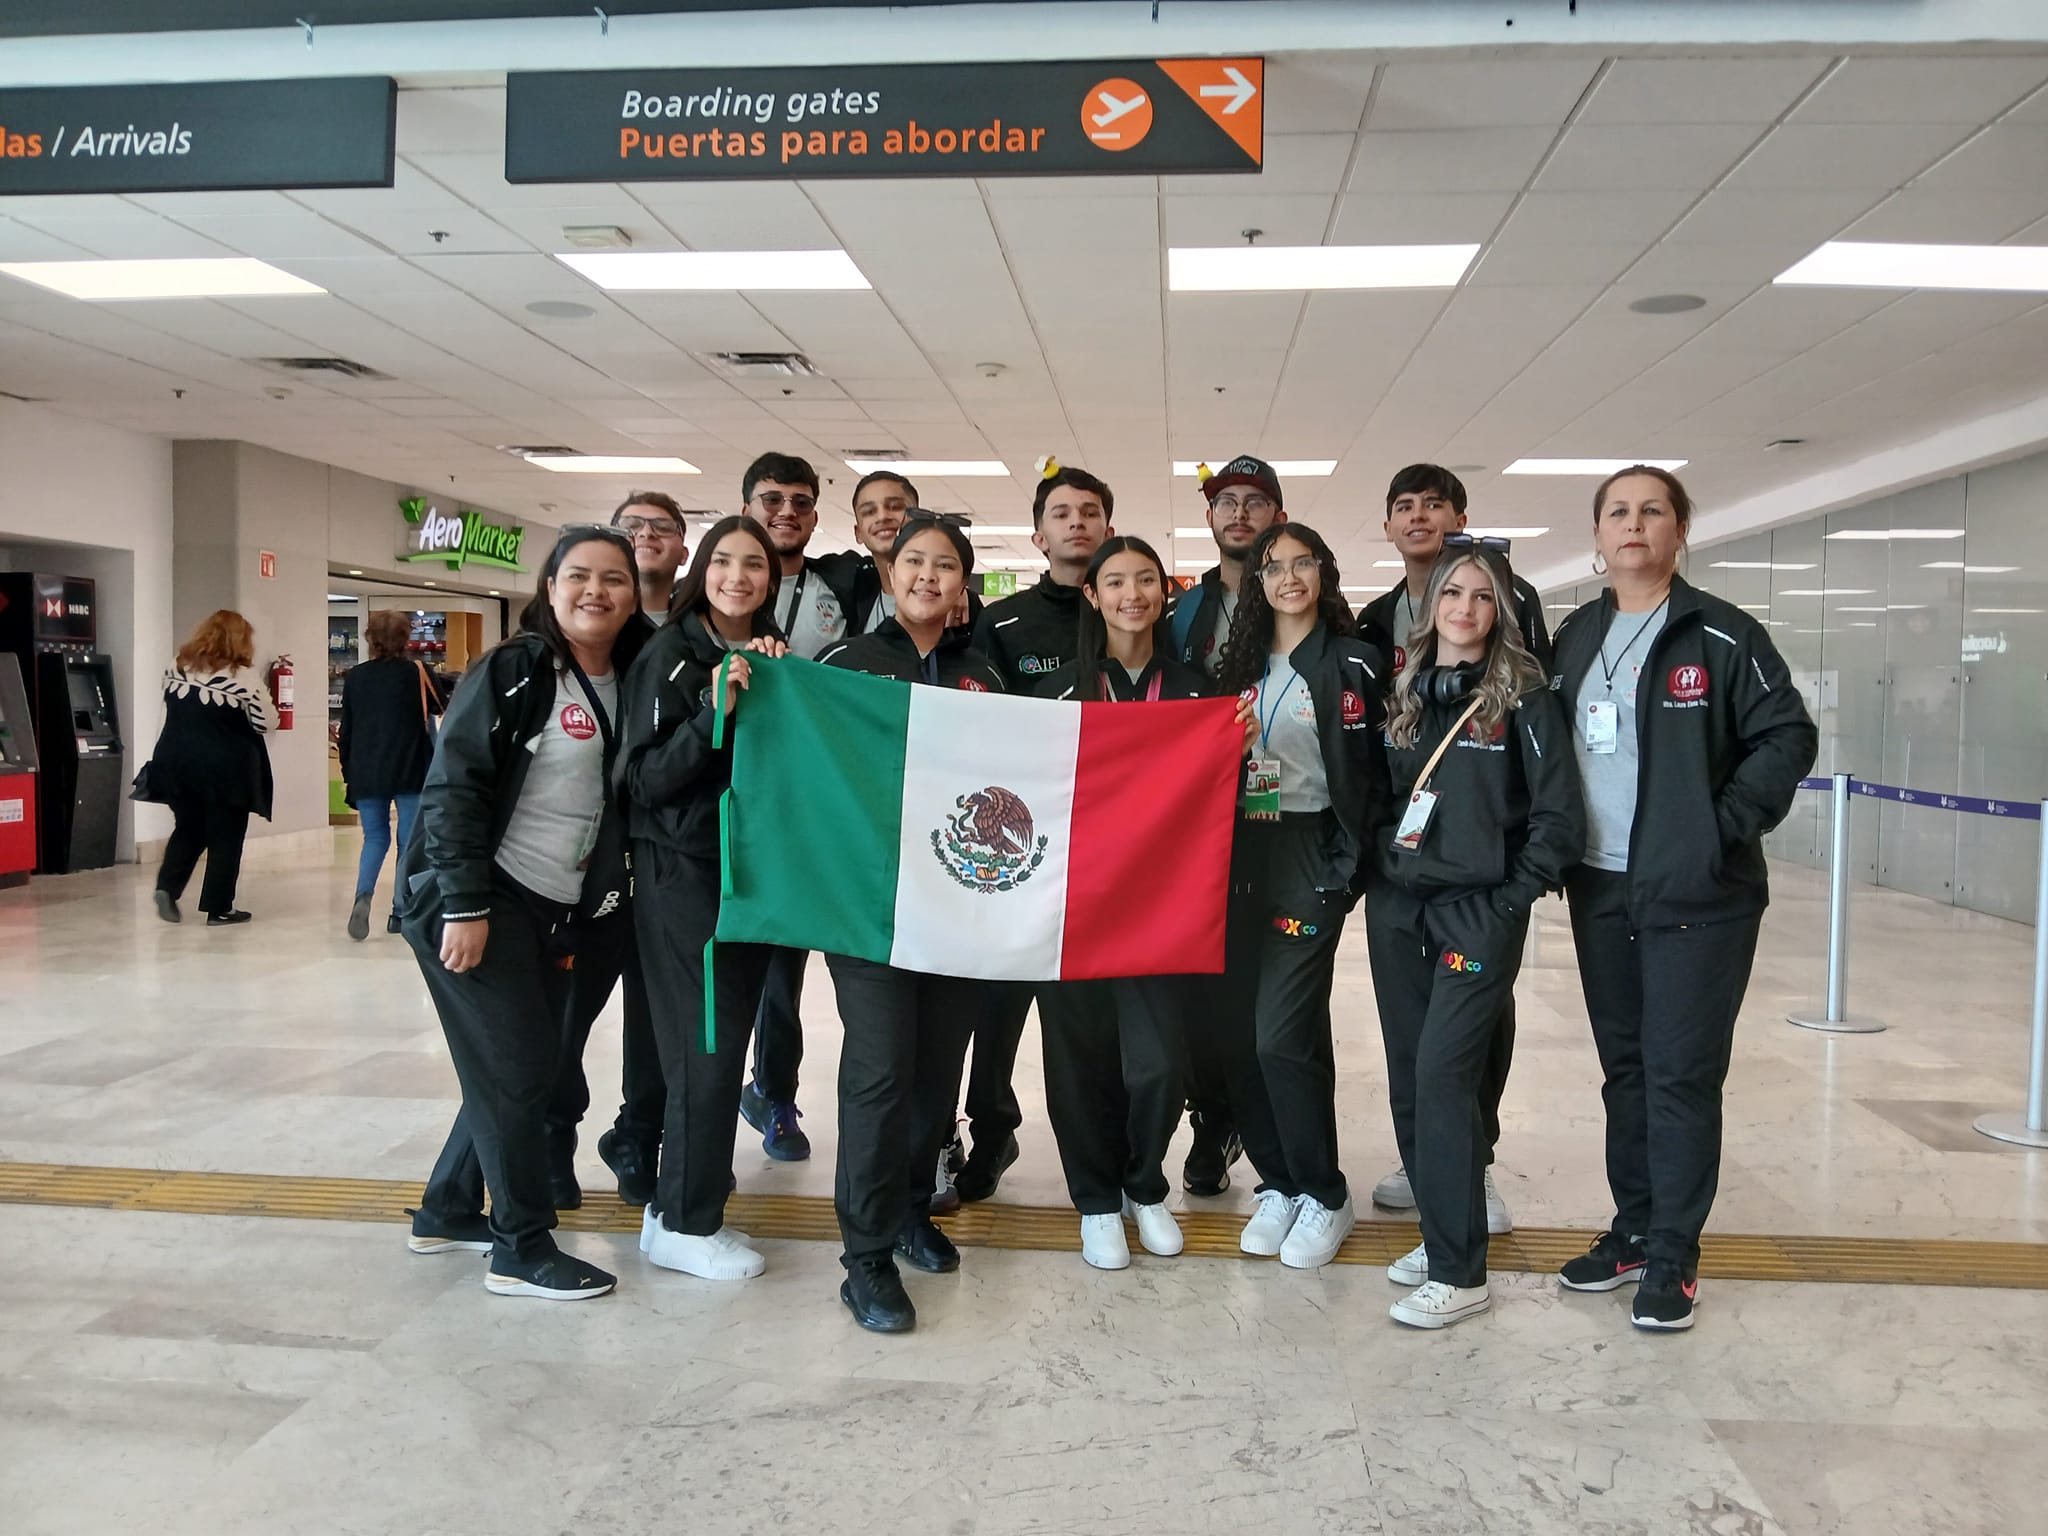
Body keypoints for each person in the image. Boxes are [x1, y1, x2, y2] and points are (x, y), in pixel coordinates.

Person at [1552, 465, 1816, 1331]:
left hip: (1699, 893)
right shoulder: (1576, 635)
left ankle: (1674, 1253)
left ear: (1679, 531)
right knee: (1626, 1071)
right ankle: (1634, 1229)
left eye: (1652, 511)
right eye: (1618, 512)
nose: (1634, 524)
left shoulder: (1722, 633)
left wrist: (1716, 829)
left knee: (1680, 1075)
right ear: (1598, 536)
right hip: (1600, 884)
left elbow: (1788, 735)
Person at [399, 525, 647, 1301]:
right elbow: (454, 785)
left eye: (613, 579)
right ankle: (521, 1248)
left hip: (552, 908)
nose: (595, 591)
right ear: (550, 588)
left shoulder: (632, 675)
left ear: (634, 596)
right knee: (520, 1070)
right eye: (579, 576)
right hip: (482, 898)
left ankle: (447, 1209)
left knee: (517, 1065)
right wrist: (465, 904)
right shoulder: (517, 669)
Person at [1366, 541, 1582, 1329]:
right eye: (1453, 593)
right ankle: (1439, 1233)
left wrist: (1508, 901)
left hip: (1478, 913)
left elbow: (1559, 818)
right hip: (1401, 910)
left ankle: (1461, 1274)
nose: (1465, 608)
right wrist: (1387, 871)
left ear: (1503, 611)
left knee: (1444, 1079)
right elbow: (1386, 799)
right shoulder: (1407, 691)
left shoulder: (1524, 698)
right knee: (1408, 1081)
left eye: (1483, 596)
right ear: (1431, 606)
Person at [815, 512, 1006, 1333]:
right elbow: (804, 760)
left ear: (964, 584)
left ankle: (907, 1211)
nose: (928, 575)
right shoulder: (844, 663)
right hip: (869, 910)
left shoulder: (983, 675)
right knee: (880, 1072)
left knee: (934, 1075)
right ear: (890, 574)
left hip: (957, 910)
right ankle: (863, 1259)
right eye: (913, 561)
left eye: (946, 565)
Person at [1356, 464, 1553, 1235]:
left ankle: (1473, 1166)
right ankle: (1429, 1165)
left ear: (1459, 519)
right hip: (1406, 880)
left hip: (1480, 882)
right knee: (1413, 1044)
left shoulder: (1515, 618)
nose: (1418, 517)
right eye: (1403, 506)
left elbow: (1541, 761)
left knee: (1470, 1035)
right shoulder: (1376, 621)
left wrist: (1512, 888)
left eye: (1434, 505)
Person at [1033, 536, 1221, 1268]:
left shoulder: (1197, 693)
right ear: (1092, 595)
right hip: (1073, 909)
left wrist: (1232, 749)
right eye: (1115, 582)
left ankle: (1144, 1184)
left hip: (1160, 913)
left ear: (1164, 591)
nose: (1132, 595)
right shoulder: (1061, 695)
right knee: (1077, 1062)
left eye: (1146, 580)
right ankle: (1096, 1200)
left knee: (1158, 1064)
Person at [618, 515, 789, 1280]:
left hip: (746, 876)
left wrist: (778, 684)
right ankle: (688, 1222)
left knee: (719, 1044)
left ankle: (673, 1211)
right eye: (724, 561)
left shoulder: (770, 653)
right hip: (685, 877)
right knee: (707, 1052)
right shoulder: (671, 654)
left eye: (754, 565)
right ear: (702, 570)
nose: (738, 577)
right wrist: (712, 710)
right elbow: (644, 781)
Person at [1214, 523, 1389, 1269]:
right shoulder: (1239, 665)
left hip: (1312, 853)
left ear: (1323, 572)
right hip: (1243, 851)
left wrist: (1346, 865)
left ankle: (1325, 1191)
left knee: (1280, 1036)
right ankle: (1280, 1182)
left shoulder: (1354, 662)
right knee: (1241, 1038)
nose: (1288, 577)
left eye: (1302, 563)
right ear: (1256, 581)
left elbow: (1380, 771)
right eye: (1273, 567)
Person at [948, 461, 1114, 1206]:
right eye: (1062, 513)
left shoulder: (1131, 607)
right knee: (998, 1005)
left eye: (1090, 512)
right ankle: (992, 1132)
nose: (1077, 523)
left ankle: (1107, 1153)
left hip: (1108, 847)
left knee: (1091, 1018)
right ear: (1039, 535)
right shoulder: (1005, 622)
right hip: (1022, 845)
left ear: (1108, 526)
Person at [542, 493, 685, 1209]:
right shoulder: (561, 653)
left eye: (661, 528)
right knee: (564, 1024)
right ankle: (550, 1146)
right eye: (633, 528)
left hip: (658, 871)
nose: (646, 537)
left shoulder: (681, 637)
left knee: (655, 1028)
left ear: (681, 547)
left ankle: (638, 1138)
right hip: (579, 878)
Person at [1162, 453, 1290, 1197]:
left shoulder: (1296, 595)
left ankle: (1269, 1130)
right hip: (1191, 820)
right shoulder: (1184, 610)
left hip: (1273, 815)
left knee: (1260, 990)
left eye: (1255, 501)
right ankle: (1212, 1119)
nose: (1239, 513)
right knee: (1197, 988)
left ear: (1277, 515)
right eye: (1226, 502)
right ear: (1209, 516)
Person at [734, 451, 862, 1164]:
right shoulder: (720, 592)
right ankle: (773, 1096)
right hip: (762, 809)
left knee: (855, 973)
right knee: (776, 974)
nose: (787, 512)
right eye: (772, 499)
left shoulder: (841, 583)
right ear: (747, 507)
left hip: (835, 803)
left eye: (801, 501)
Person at [140, 609, 277, 926]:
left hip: (174, 762)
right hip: (225, 770)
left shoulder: (177, 665)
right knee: (226, 836)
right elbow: (266, 722)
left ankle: (167, 887)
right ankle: (219, 907)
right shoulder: (242, 676)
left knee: (188, 827)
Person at [338, 609, 441, 941]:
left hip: (367, 769)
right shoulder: (417, 672)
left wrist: (348, 771)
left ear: (370, 638)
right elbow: (439, 706)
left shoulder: (355, 677)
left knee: (375, 838)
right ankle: (400, 910)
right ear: (405, 638)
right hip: (410, 767)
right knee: (408, 841)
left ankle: (363, 896)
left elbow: (347, 730)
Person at [615, 491, 691, 620]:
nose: (646, 533)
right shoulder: (586, 622)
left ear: (683, 555)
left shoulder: (707, 625)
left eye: (663, 527)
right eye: (631, 527)